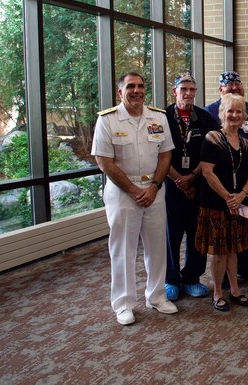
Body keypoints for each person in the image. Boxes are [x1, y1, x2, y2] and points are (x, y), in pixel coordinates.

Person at [92, 71, 177, 325]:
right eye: (130, 87)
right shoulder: (108, 120)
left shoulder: (158, 117)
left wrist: (154, 187)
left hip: (154, 192)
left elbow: (165, 155)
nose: (137, 91)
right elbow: (103, 161)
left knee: (157, 247)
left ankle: (157, 296)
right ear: (121, 92)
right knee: (122, 250)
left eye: (140, 86)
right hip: (122, 194)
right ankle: (124, 303)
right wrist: (133, 189)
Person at [196, 94, 248, 312]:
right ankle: (217, 293)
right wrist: (228, 198)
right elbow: (207, 172)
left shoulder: (246, 143)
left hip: (237, 204)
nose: (234, 115)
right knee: (219, 252)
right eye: (230, 111)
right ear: (222, 113)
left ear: (244, 116)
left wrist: (241, 195)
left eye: (238, 111)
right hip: (216, 204)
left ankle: (235, 291)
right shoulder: (212, 138)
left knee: (234, 249)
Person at [163, 74, 218, 301]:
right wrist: (180, 181)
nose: (188, 93)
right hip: (171, 184)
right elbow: (159, 153)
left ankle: (192, 278)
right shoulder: (163, 117)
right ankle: (171, 279)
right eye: (183, 89)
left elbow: (211, 152)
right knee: (171, 234)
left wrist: (192, 178)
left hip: (198, 184)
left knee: (197, 234)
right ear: (174, 91)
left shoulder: (204, 118)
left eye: (192, 89)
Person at [207, 71, 248, 283]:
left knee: (246, 224)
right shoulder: (209, 113)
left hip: (247, 182)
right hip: (221, 186)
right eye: (228, 86)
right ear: (220, 90)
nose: (233, 88)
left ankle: (245, 265)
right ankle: (222, 276)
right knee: (222, 231)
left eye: (237, 86)